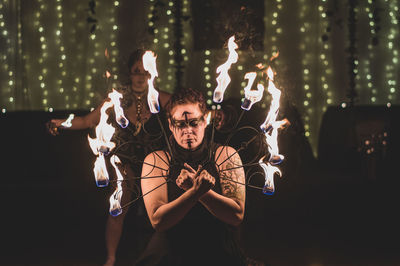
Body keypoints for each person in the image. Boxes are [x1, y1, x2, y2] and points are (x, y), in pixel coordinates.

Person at [47, 49, 171, 266]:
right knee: (118, 207)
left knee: (162, 212)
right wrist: (60, 123)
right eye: (136, 71)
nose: (141, 77)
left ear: (152, 75)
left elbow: (191, 111)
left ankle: (160, 257)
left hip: (155, 163)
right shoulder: (116, 99)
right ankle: (111, 259)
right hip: (126, 162)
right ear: (130, 74)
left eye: (145, 73)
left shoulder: (162, 99)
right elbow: (87, 121)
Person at [135, 87, 247, 266]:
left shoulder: (225, 155)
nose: (188, 130)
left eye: (193, 123)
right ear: (171, 125)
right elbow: (158, 221)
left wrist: (200, 192)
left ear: (204, 121)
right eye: (180, 124)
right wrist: (194, 192)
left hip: (218, 249)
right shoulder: (157, 160)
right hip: (169, 252)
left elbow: (236, 215)